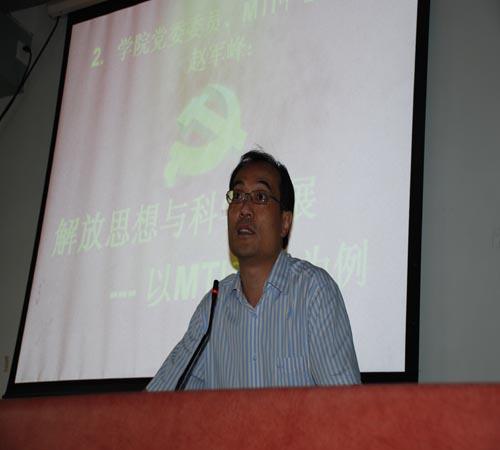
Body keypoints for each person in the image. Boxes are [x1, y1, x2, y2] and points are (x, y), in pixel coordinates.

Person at [147, 150, 360, 390]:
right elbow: (157, 400)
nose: (244, 209)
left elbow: (344, 404)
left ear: (285, 222)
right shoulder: (213, 308)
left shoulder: (312, 292)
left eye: (260, 197)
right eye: (237, 196)